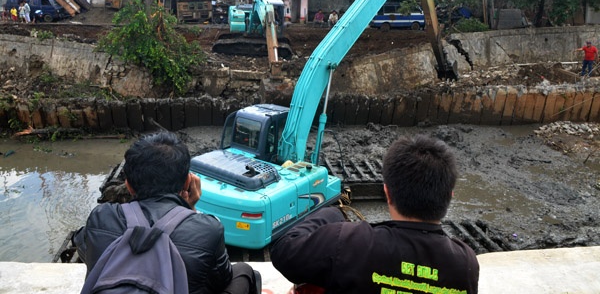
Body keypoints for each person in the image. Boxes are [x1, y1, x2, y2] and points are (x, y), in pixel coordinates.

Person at [270, 134, 479, 294]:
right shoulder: (465, 264)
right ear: (450, 195)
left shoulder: (349, 243)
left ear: (387, 192)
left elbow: (282, 251)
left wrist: (331, 214)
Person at [73, 131, 260, 294]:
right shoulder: (209, 228)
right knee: (246, 272)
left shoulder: (100, 217)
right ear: (187, 183)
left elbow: (83, 244)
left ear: (128, 185)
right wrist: (190, 209)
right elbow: (221, 281)